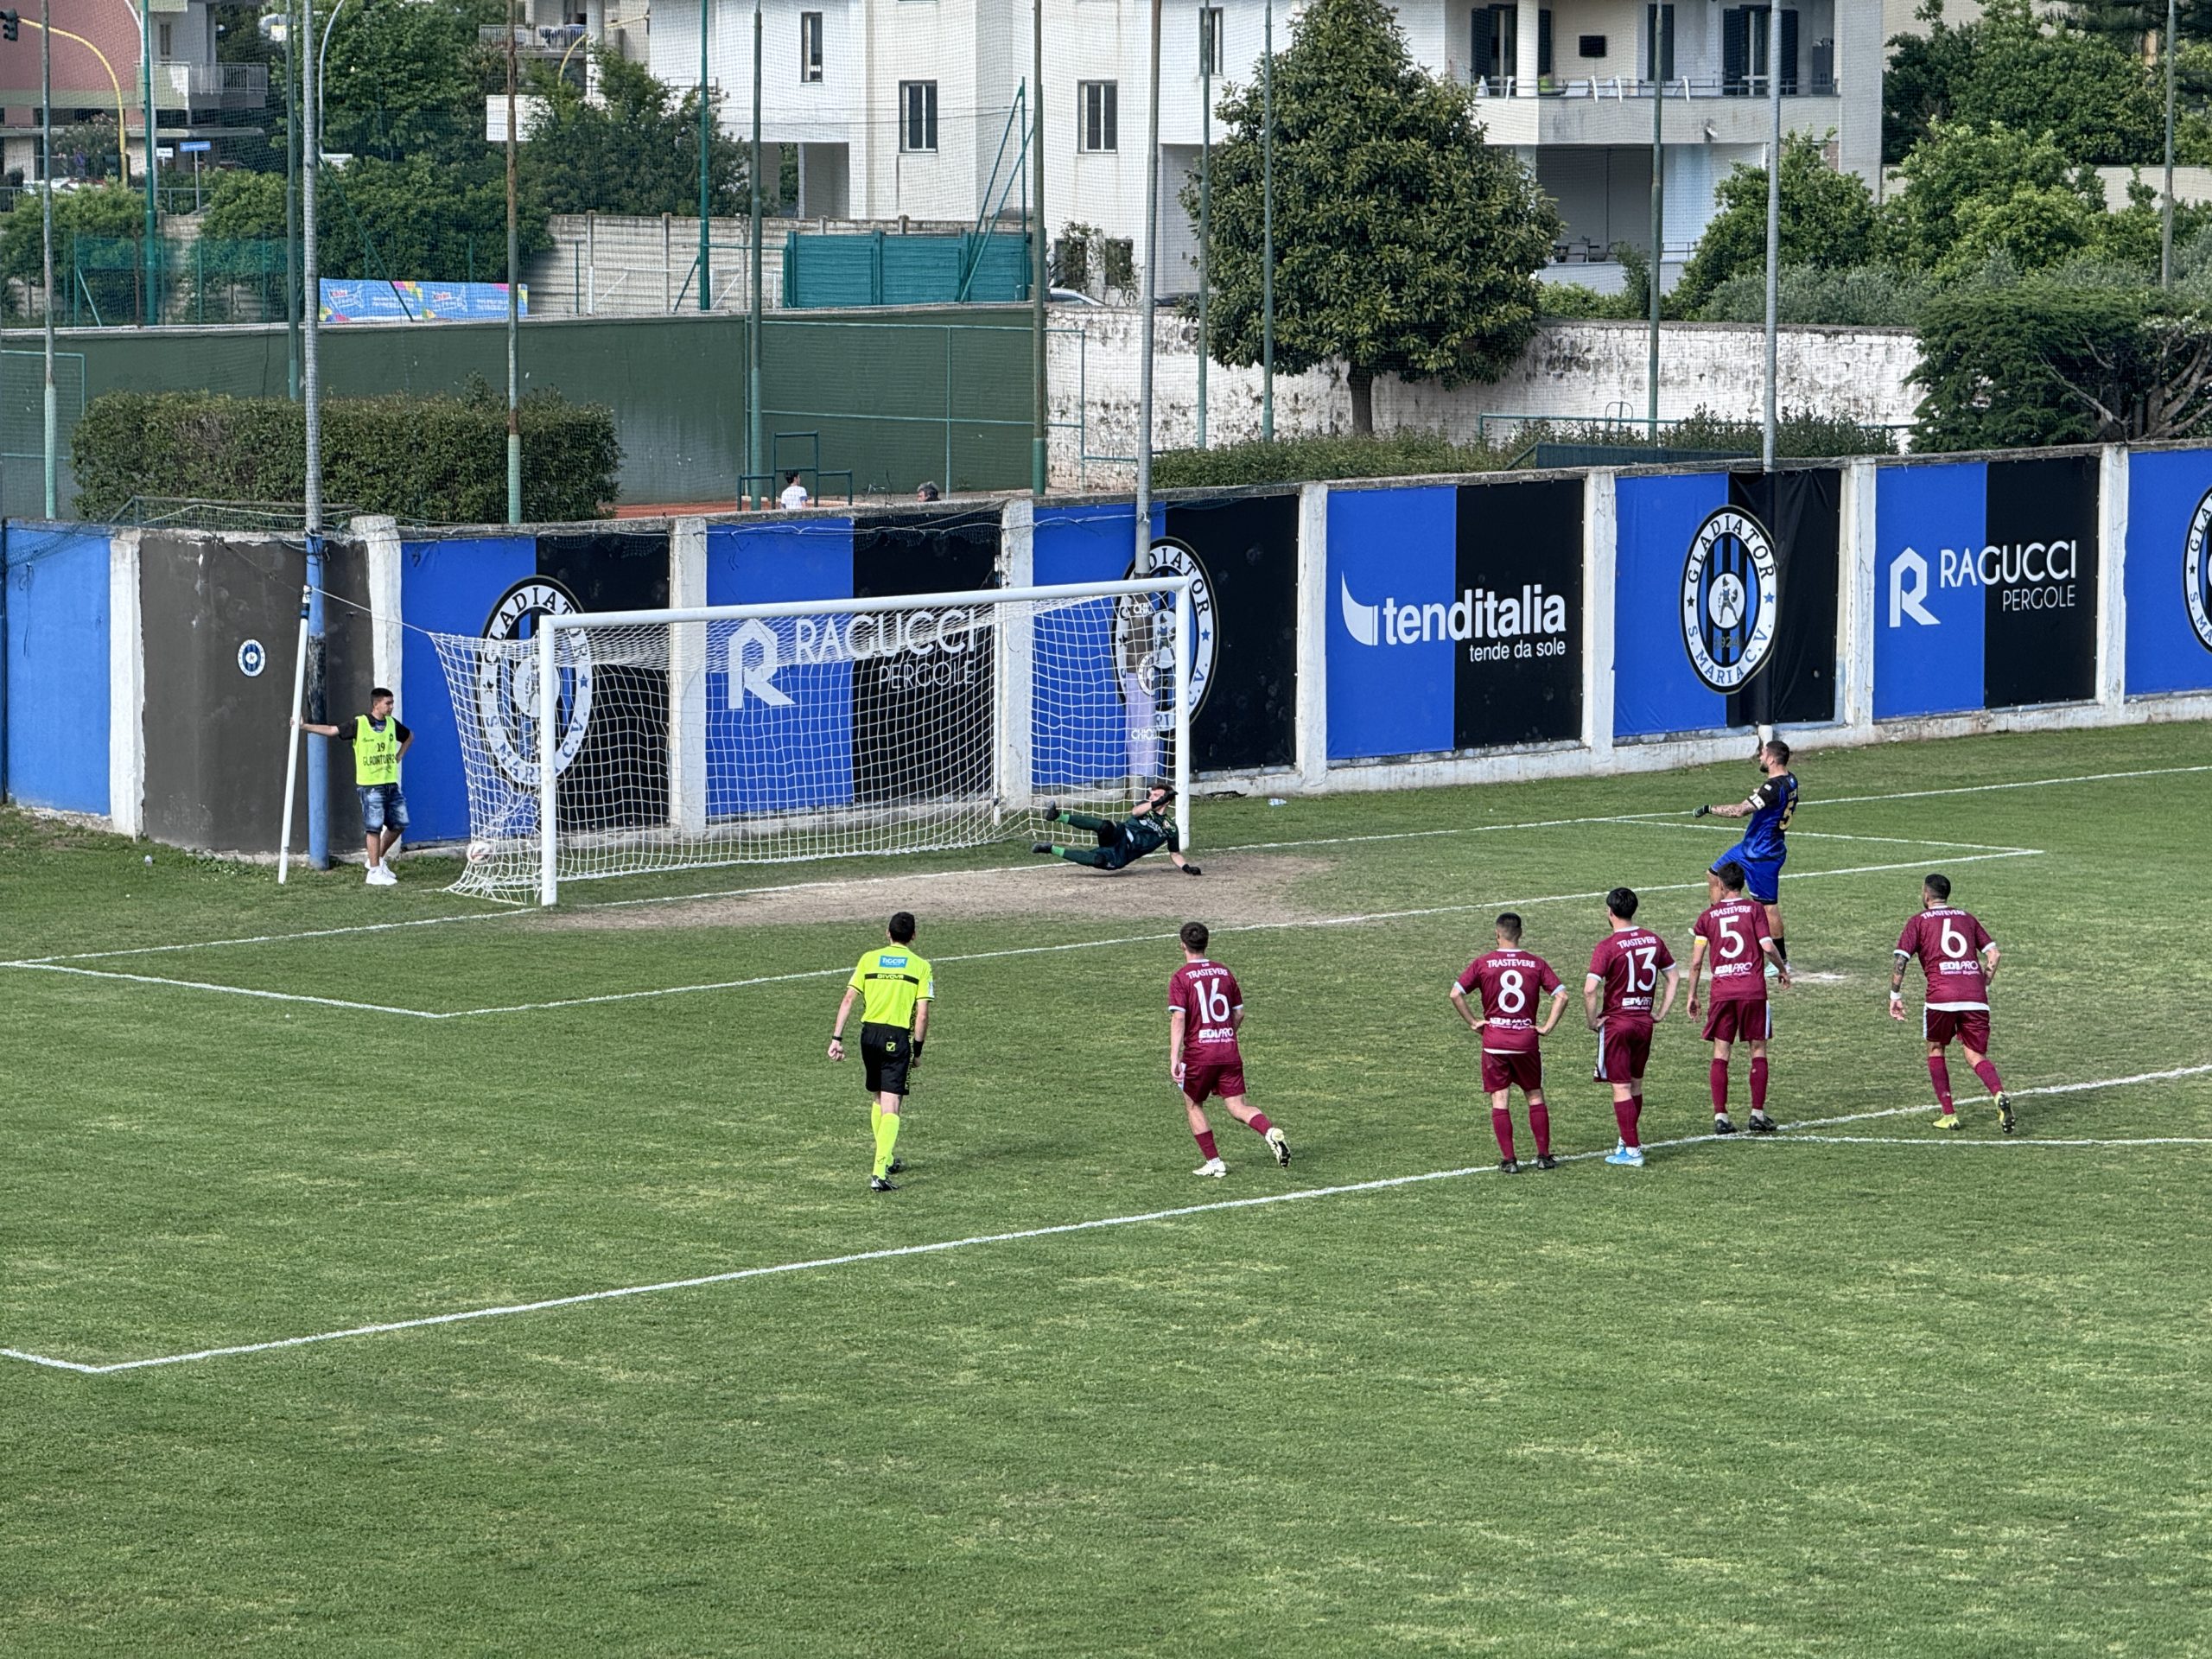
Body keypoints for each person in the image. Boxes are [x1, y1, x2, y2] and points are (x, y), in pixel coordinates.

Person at [1891, 873, 2012, 1133]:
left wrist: (1895, 995)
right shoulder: (1966, 918)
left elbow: (1902, 959)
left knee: (1936, 1049)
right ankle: (1998, 1093)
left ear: (1926, 894)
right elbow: (1994, 953)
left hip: (1941, 997)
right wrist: (1985, 980)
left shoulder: (1918, 921)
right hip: (1975, 997)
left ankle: (1949, 1115)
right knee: (1975, 1053)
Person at [1449, 912, 1568, 1173]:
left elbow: (1455, 993)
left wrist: (1473, 1022)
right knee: (1534, 1095)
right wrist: (1547, 1026)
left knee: (1500, 1099)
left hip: (1494, 1042)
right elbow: (1562, 996)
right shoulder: (1536, 964)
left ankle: (1509, 1160)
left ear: (1497, 933)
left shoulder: (1483, 963)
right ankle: (1543, 1156)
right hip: (1526, 1042)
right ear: (1521, 933)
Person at [1168, 922, 1288, 1176]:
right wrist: (1226, 1036)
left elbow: (1179, 1018)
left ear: (1182, 945)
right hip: (1228, 1050)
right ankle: (1269, 1131)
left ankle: (1214, 1163)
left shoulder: (1181, 977)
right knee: (1237, 1106)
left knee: (1193, 1104)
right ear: (1206, 943)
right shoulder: (1224, 972)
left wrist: (1173, 1057)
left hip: (1200, 1053)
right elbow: (1240, 1013)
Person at [829, 912, 934, 1191]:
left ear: (887, 934)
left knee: (878, 1098)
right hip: (896, 1037)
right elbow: (922, 1015)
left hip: (869, 1036)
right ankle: (879, 1173)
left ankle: (884, 1158)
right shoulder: (920, 967)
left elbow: (849, 998)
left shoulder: (868, 959)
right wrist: (918, 1050)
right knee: (893, 1105)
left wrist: (836, 1038)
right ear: (913, 936)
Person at [1688, 861, 1791, 1135]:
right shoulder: (1755, 909)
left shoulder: (1707, 918)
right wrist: (1782, 970)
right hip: (1752, 991)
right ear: (1742, 884)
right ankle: (1757, 1113)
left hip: (1722, 993)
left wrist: (1692, 994)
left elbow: (1697, 963)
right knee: (1757, 1049)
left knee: (1721, 1052)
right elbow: (1767, 946)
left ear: (1721, 885)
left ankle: (1721, 1116)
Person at [1585, 887, 1680, 1168]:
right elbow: (1673, 977)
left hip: (1618, 1023)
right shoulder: (1653, 940)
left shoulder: (1607, 946)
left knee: (1621, 1088)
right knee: (1635, 1085)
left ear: (1610, 912)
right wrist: (1660, 1011)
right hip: (1643, 1022)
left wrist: (1592, 1021)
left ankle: (1633, 1150)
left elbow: (1590, 990)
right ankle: (1626, 1141)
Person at [1694, 739, 1799, 969]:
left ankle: (1782, 961)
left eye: (1762, 754)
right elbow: (1769, 798)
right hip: (1748, 847)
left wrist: (1709, 809)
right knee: (1714, 875)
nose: (1760, 757)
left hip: (1763, 854)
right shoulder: (1790, 780)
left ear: (1771, 759)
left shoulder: (1772, 788)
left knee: (1767, 906)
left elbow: (1740, 811)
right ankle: (1717, 926)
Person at [295, 688, 412, 886]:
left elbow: (409, 736)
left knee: (399, 824)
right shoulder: (360, 724)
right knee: (374, 827)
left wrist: (399, 755)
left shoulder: (392, 724)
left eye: (392, 703)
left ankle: (376, 859)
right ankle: (374, 872)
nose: (391, 707)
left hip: (390, 783)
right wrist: (305, 726)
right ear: (376, 704)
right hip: (370, 785)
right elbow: (332, 730)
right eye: (388, 703)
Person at [1031, 784, 1202, 875]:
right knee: (1106, 826)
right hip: (1119, 834)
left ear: (1167, 801)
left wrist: (1186, 868)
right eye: (1151, 795)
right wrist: (1155, 803)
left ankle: (1050, 849)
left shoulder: (1170, 827)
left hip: (1124, 853)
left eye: (1157, 796)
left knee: (1098, 861)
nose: (1151, 797)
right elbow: (1135, 812)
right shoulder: (1146, 809)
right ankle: (1057, 816)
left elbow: (1175, 854)